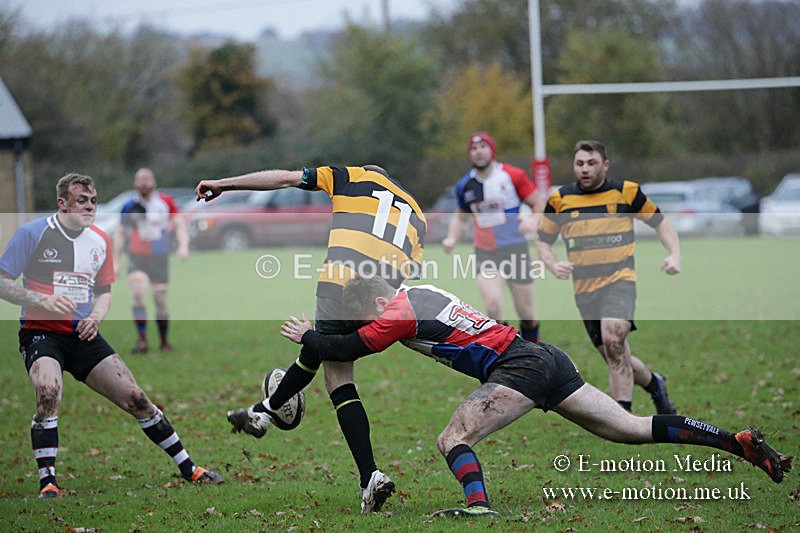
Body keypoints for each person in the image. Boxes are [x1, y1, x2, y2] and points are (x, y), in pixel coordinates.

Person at [279, 275, 792, 517]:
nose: (364, 322)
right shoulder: (419, 289)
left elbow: (349, 348)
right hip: (544, 357)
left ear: (376, 300)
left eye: (362, 313)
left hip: (518, 367)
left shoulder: (394, 312)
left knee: (452, 438)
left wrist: (308, 336)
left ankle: (479, 507)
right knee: (631, 430)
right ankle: (736, 442)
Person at [195, 165, 426, 513]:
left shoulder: (353, 176)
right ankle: (263, 412)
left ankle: (370, 477)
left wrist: (223, 184)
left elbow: (284, 178)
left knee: (338, 379)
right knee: (322, 351)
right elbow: (412, 270)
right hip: (380, 300)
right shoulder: (418, 213)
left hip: (341, 283)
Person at [0, 173, 222, 499]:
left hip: (83, 334)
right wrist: (40, 300)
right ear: (62, 203)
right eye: (81, 201)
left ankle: (189, 468)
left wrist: (95, 317)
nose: (89, 206)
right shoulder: (33, 233)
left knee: (136, 398)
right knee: (48, 393)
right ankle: (48, 482)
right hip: (41, 333)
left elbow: (104, 293)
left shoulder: (99, 240)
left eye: (93, 200)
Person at [536, 140, 681, 415]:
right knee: (616, 354)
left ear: (605, 165)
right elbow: (543, 240)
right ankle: (655, 384)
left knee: (614, 339)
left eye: (591, 163)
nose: (585, 169)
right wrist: (553, 264)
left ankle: (622, 417)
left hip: (619, 279)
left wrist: (674, 254)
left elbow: (660, 222)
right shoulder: (560, 199)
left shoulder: (627, 192)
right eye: (580, 164)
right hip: (584, 290)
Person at [442, 132, 544, 342]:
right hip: (486, 252)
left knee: (527, 314)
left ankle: (533, 352)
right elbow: (460, 218)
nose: (478, 152)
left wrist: (533, 220)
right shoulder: (465, 185)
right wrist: (451, 238)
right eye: (473, 148)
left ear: (492, 150)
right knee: (493, 307)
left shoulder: (512, 175)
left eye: (483, 147)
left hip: (516, 250)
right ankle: (508, 353)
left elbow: (538, 203)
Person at [113, 168, 189, 354]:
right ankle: (142, 341)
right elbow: (120, 233)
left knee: (160, 300)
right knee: (138, 294)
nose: (144, 183)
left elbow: (179, 223)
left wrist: (183, 246)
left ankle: (164, 342)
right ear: (135, 184)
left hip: (160, 258)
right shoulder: (129, 206)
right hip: (137, 257)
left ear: (154, 182)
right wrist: (116, 260)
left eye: (147, 179)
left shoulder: (165, 202)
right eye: (141, 180)